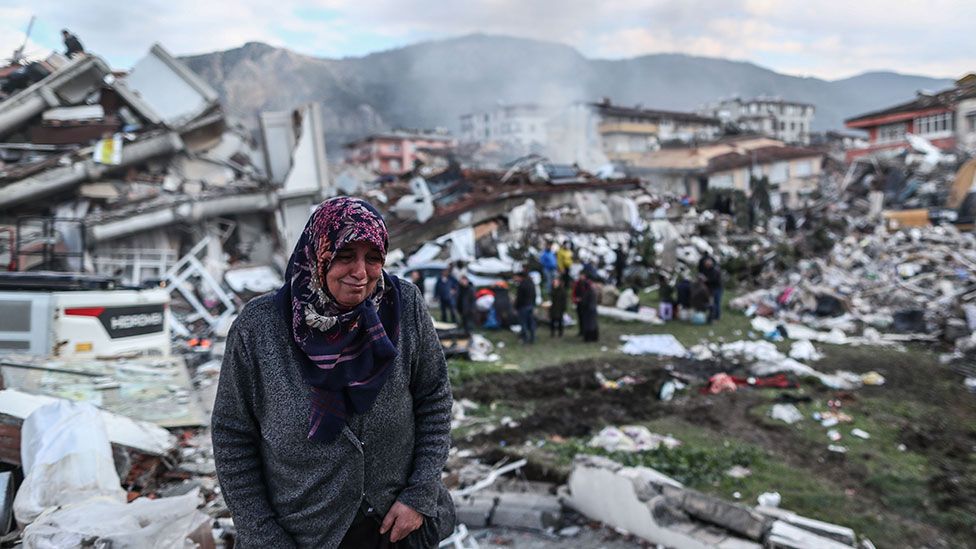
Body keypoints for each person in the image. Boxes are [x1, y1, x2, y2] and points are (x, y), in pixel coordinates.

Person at [212, 197, 455, 548]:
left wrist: (419, 494)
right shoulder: (259, 328)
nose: (361, 272)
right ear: (317, 254)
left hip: (399, 526)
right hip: (305, 534)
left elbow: (434, 398)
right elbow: (232, 435)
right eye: (344, 256)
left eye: (373, 258)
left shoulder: (403, 306)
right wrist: (263, 535)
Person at [514, 271, 537, 344]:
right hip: (530, 305)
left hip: (523, 306)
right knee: (531, 322)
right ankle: (532, 337)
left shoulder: (522, 285)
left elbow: (519, 298)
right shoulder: (531, 283)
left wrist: (516, 307)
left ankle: (525, 338)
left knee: (523, 323)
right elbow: (534, 295)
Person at [576, 273, 599, 342]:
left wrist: (580, 301)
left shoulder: (588, 292)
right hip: (593, 309)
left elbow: (585, 302)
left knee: (588, 325)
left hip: (588, 310)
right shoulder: (593, 291)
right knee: (593, 324)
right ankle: (594, 338)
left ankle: (588, 338)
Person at [701, 257, 724, 322]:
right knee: (713, 303)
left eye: (707, 264)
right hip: (712, 288)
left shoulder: (715, 270)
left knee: (717, 303)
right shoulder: (707, 270)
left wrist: (706, 280)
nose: (706, 266)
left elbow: (714, 280)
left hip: (717, 288)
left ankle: (717, 317)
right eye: (705, 264)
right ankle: (713, 316)